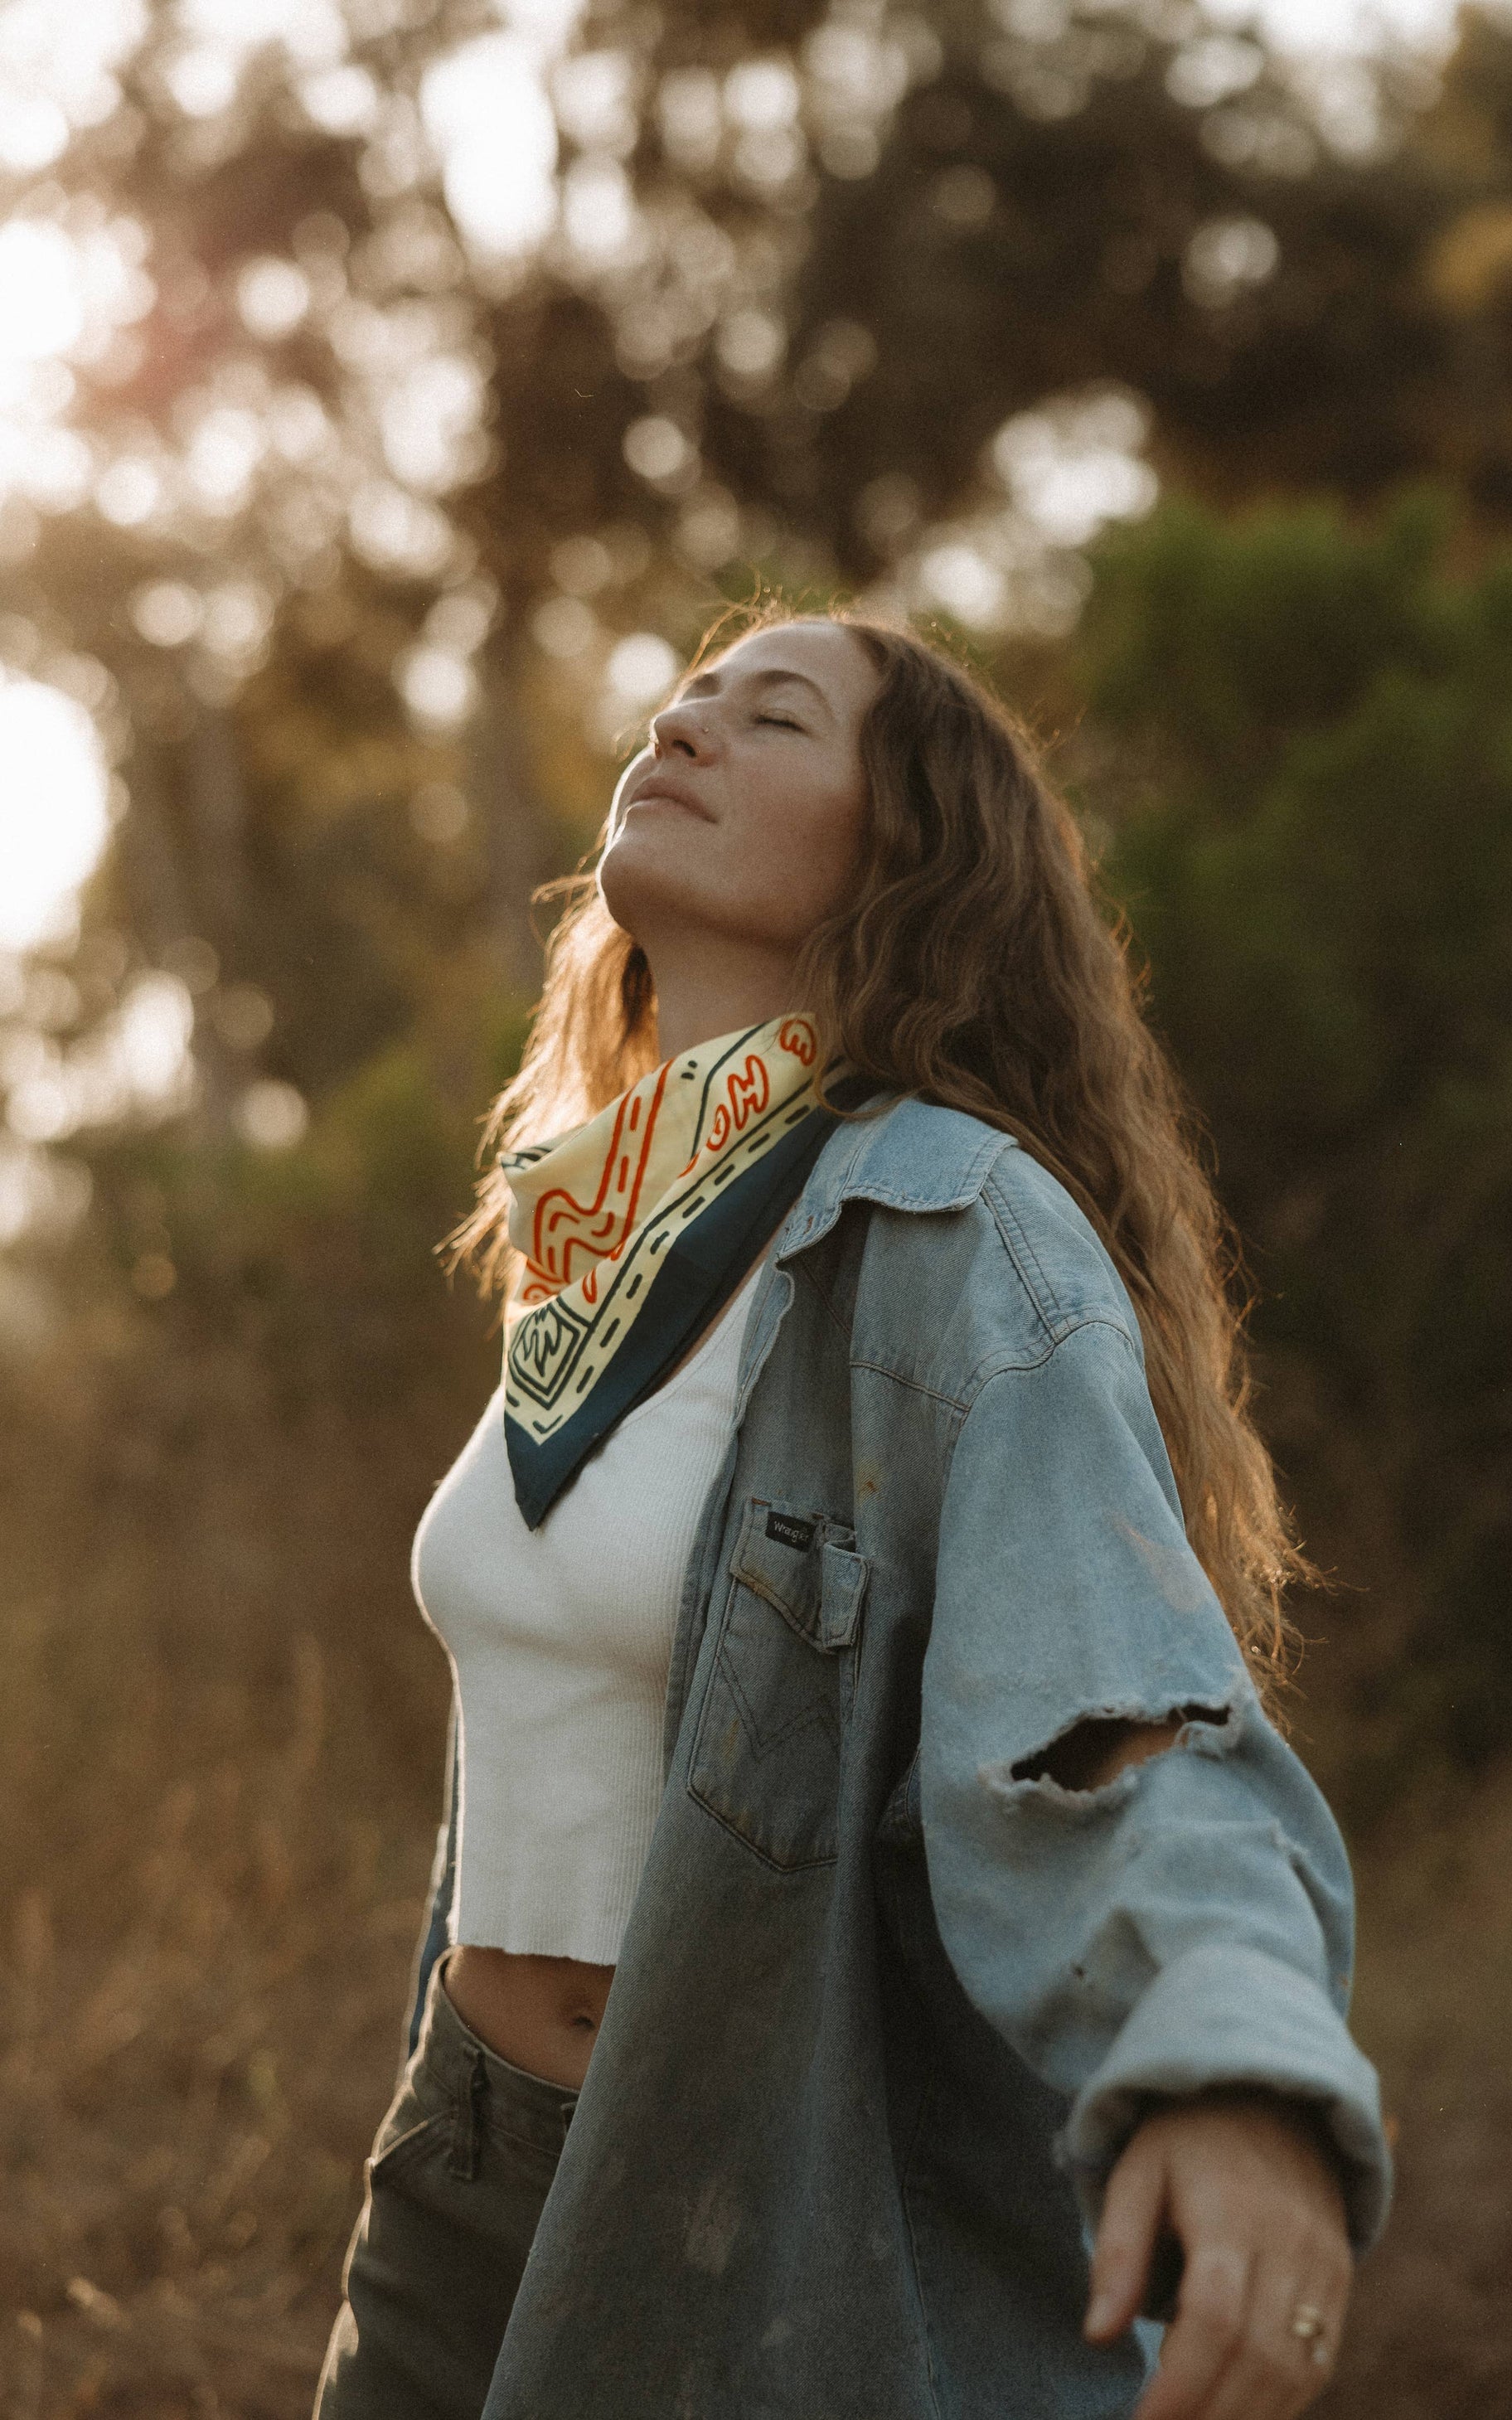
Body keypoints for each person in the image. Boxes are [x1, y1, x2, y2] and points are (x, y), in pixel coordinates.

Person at [314, 609, 1391, 2420]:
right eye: (684, 699)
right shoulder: (600, 1238)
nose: (686, 722)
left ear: (903, 851)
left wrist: (1232, 2058)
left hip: (732, 2198)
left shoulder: (955, 1235)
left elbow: (1109, 1710)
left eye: (775, 715)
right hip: (455, 2160)